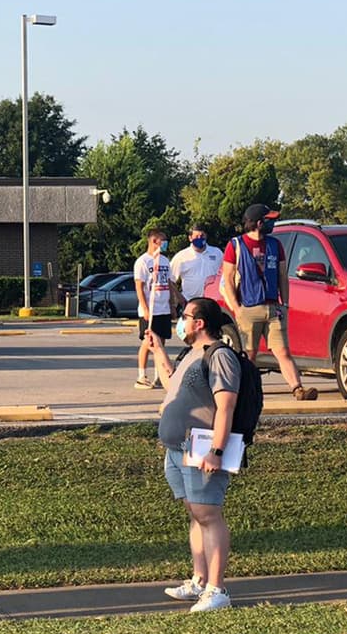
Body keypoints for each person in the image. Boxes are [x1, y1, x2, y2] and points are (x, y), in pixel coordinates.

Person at [146, 297, 240, 612]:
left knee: (209, 515)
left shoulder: (221, 356)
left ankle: (218, 589)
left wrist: (216, 450)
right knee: (196, 515)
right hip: (177, 450)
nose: (180, 320)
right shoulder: (190, 353)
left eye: (185, 316)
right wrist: (158, 349)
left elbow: (226, 406)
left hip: (202, 450)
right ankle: (200, 580)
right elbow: (172, 385)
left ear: (199, 323)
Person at [220, 204, 318, 400]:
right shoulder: (236, 245)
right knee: (250, 354)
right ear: (258, 222)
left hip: (274, 307)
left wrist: (285, 304)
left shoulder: (275, 245)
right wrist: (237, 308)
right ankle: (243, 393)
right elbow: (228, 277)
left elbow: (282, 275)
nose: (272, 223)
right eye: (269, 219)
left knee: (283, 351)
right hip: (249, 307)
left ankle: (298, 389)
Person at [133, 230, 176, 390]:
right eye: (163, 240)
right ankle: (141, 376)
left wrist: (172, 304)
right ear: (154, 241)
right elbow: (139, 286)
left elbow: (170, 284)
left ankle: (160, 375)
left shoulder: (165, 261)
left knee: (161, 342)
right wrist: (144, 308)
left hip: (163, 307)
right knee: (147, 342)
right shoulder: (142, 262)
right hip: (150, 309)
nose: (165, 243)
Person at [169, 226, 224, 308]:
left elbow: (225, 274)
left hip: (214, 301)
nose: (200, 238)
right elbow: (170, 279)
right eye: (196, 236)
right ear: (190, 238)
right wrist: (179, 297)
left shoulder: (217, 252)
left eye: (202, 236)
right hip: (190, 302)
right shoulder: (181, 256)